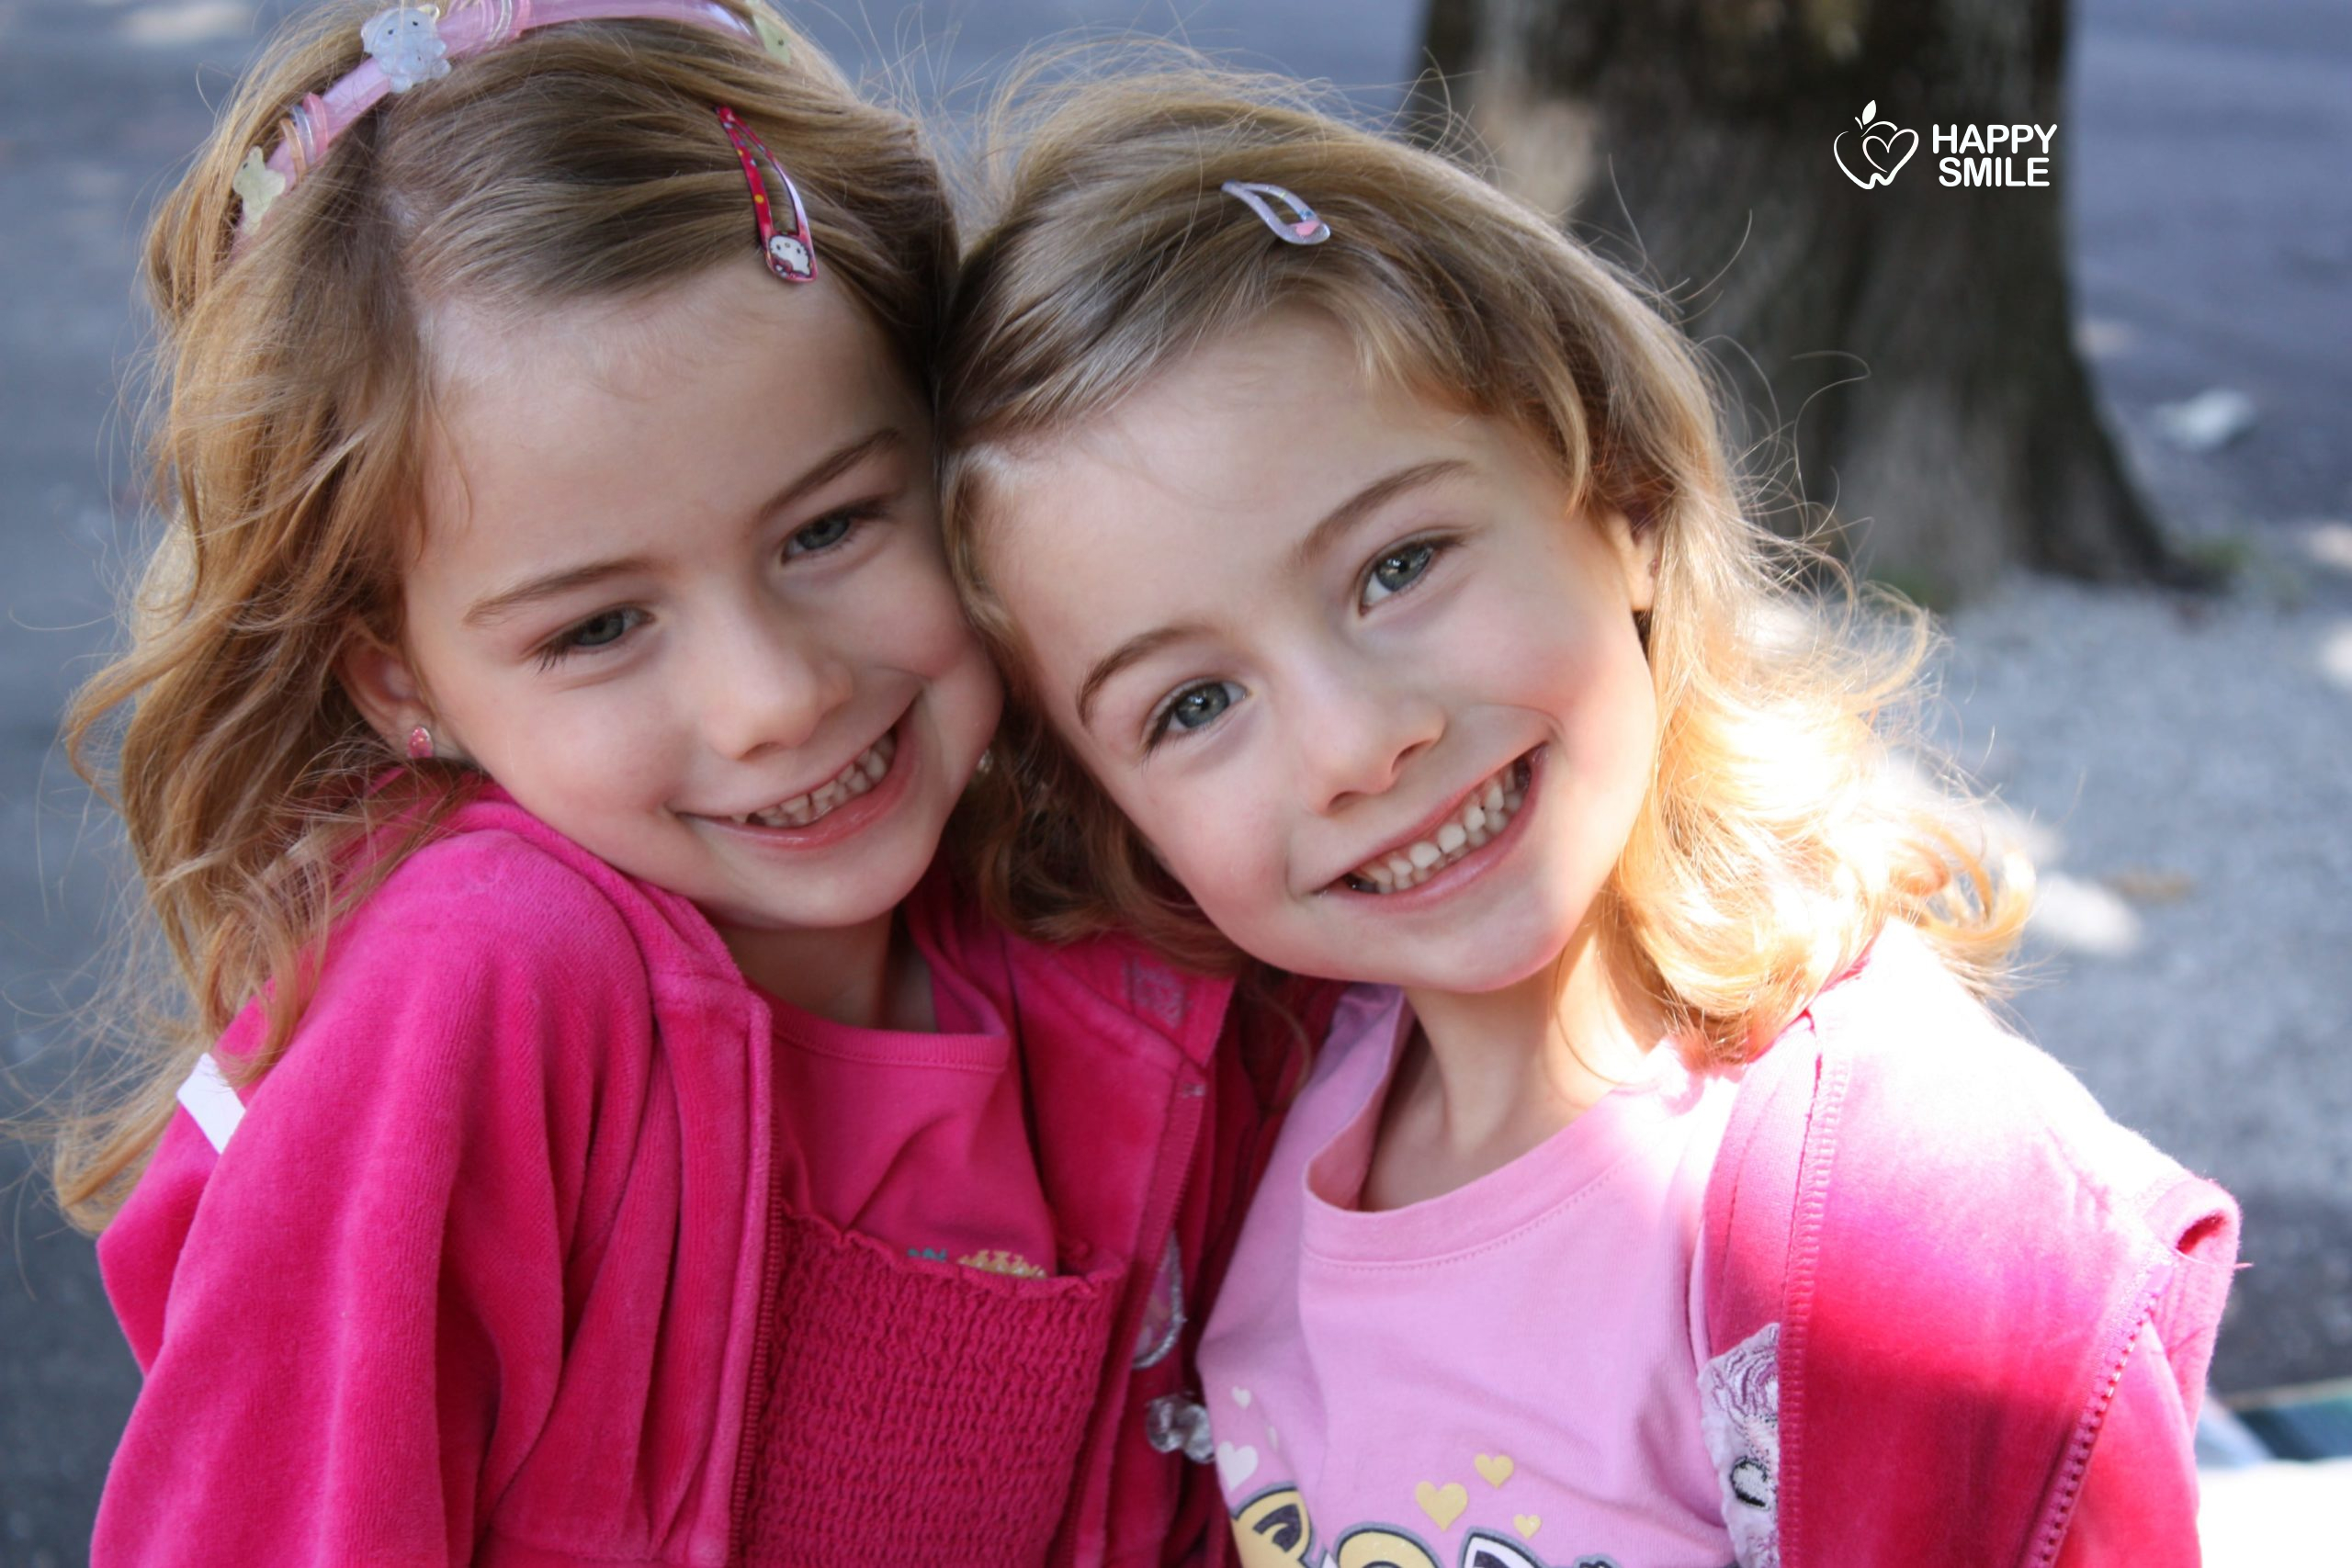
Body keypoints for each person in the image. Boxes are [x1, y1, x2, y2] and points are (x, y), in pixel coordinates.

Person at [56, 8, 1317, 1562]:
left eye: (829, 529)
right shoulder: (480, 990)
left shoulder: (1126, 899)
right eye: (597, 628)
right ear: (398, 681)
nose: (773, 698)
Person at [936, 69, 2239, 1568]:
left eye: (1398, 566)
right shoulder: (1262, 1116)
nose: (1355, 743)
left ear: (1619, 496)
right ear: (1111, 811)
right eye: (1192, 705)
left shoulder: (1908, 1226)